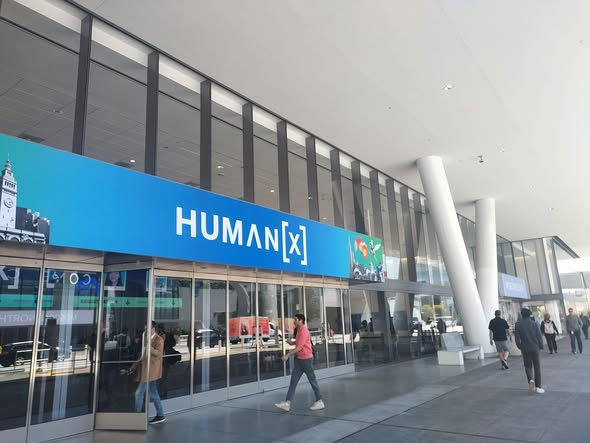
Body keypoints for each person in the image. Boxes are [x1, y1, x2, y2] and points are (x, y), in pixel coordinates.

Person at [275, 314, 324, 412]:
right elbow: (300, 342)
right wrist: (292, 342)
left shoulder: (304, 331)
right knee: (293, 382)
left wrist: (287, 355)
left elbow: (299, 347)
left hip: (306, 360)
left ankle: (319, 401)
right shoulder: (299, 330)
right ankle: (287, 403)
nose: (294, 321)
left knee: (312, 380)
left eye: (296, 319)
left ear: (301, 320)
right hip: (299, 360)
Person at [129, 321, 166, 424]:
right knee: (153, 393)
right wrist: (132, 367)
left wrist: (150, 348)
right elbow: (142, 355)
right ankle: (160, 415)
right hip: (147, 371)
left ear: (153, 329)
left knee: (139, 393)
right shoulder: (146, 338)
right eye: (145, 329)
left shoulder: (158, 339)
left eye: (147, 328)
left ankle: (138, 417)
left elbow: (159, 354)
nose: (145, 330)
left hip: (151, 371)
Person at [514, 308, 544, 394]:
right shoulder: (535, 323)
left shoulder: (518, 324)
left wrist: (520, 346)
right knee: (537, 367)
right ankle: (538, 387)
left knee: (528, 366)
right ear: (530, 314)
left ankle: (531, 380)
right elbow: (539, 336)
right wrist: (541, 346)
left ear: (522, 315)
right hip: (535, 348)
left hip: (525, 348)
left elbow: (517, 338)